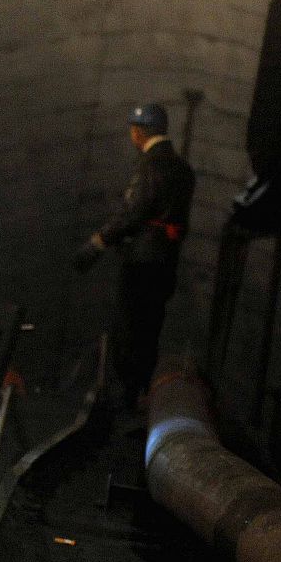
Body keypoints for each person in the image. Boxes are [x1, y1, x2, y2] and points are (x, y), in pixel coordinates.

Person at [74, 103, 196, 409]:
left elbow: (134, 212)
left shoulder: (150, 166)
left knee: (128, 326)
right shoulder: (183, 170)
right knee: (150, 326)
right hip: (166, 260)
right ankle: (140, 390)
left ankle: (124, 396)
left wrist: (98, 242)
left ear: (138, 132)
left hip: (142, 259)